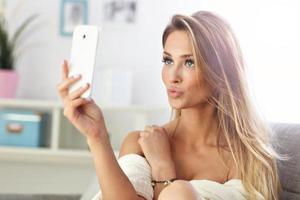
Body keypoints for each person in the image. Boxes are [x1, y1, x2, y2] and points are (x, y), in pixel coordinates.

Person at [57, 11, 281, 200]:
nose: (172, 76)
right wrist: (97, 137)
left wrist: (164, 169)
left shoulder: (248, 159)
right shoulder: (140, 143)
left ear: (221, 74)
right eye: (168, 60)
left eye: (189, 62)